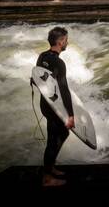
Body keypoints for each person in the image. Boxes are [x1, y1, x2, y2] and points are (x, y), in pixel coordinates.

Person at [36, 27, 75, 187]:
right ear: (60, 42)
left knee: (62, 133)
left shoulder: (42, 56)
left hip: (45, 103)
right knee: (53, 139)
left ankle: (50, 167)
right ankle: (47, 178)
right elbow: (64, 89)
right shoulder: (59, 62)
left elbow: (37, 77)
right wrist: (71, 115)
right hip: (54, 106)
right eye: (66, 40)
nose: (67, 42)